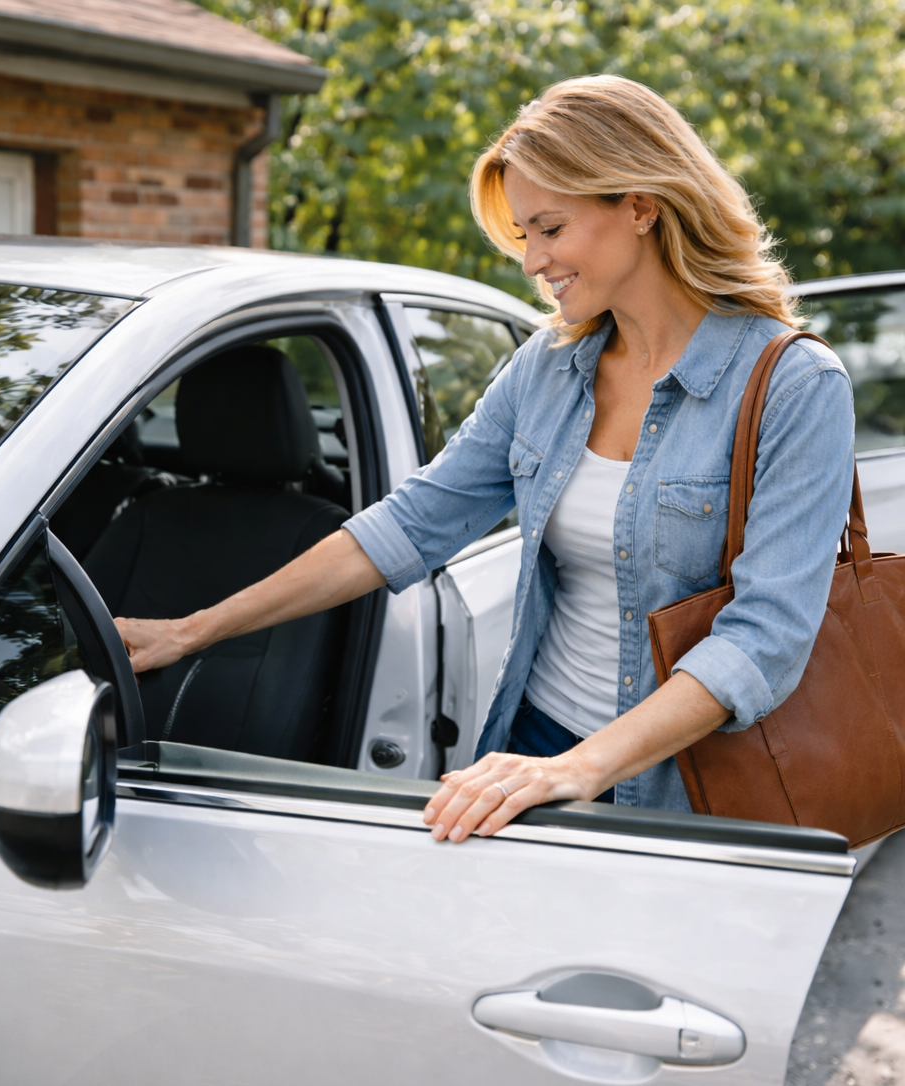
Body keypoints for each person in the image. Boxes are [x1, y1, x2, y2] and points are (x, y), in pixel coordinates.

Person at [115, 75, 855, 845]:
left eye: (550, 228)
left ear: (640, 205)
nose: (533, 261)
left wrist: (584, 769)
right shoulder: (550, 368)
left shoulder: (796, 387)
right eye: (524, 235)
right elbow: (411, 522)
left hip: (689, 791)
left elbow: (762, 639)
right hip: (533, 748)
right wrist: (195, 630)